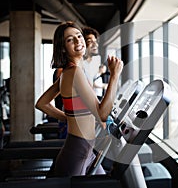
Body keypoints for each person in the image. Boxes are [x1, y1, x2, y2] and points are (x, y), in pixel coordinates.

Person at [35, 21, 123, 177]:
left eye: (79, 36)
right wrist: (114, 75)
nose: (78, 41)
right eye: (70, 40)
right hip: (78, 152)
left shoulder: (69, 71)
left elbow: (42, 103)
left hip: (85, 150)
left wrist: (69, 117)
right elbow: (101, 114)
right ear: (63, 48)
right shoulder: (75, 72)